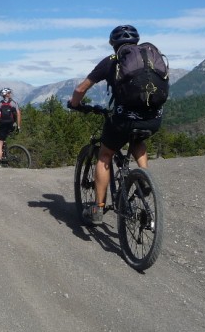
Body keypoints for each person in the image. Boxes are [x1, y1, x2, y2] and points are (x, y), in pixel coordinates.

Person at [67, 25, 163, 225]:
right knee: (138, 138)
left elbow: (80, 88)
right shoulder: (150, 56)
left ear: (113, 44)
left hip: (124, 118)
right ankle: (143, 178)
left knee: (105, 155)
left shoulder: (111, 61)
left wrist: (74, 105)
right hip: (153, 118)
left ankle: (98, 208)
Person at [0, 87, 22, 165]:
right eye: (9, 93)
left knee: (0, 142)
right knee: (6, 137)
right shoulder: (13, 102)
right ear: (8, 94)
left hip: (3, 125)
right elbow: (19, 114)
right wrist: (18, 126)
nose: (10, 94)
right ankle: (6, 152)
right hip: (11, 125)